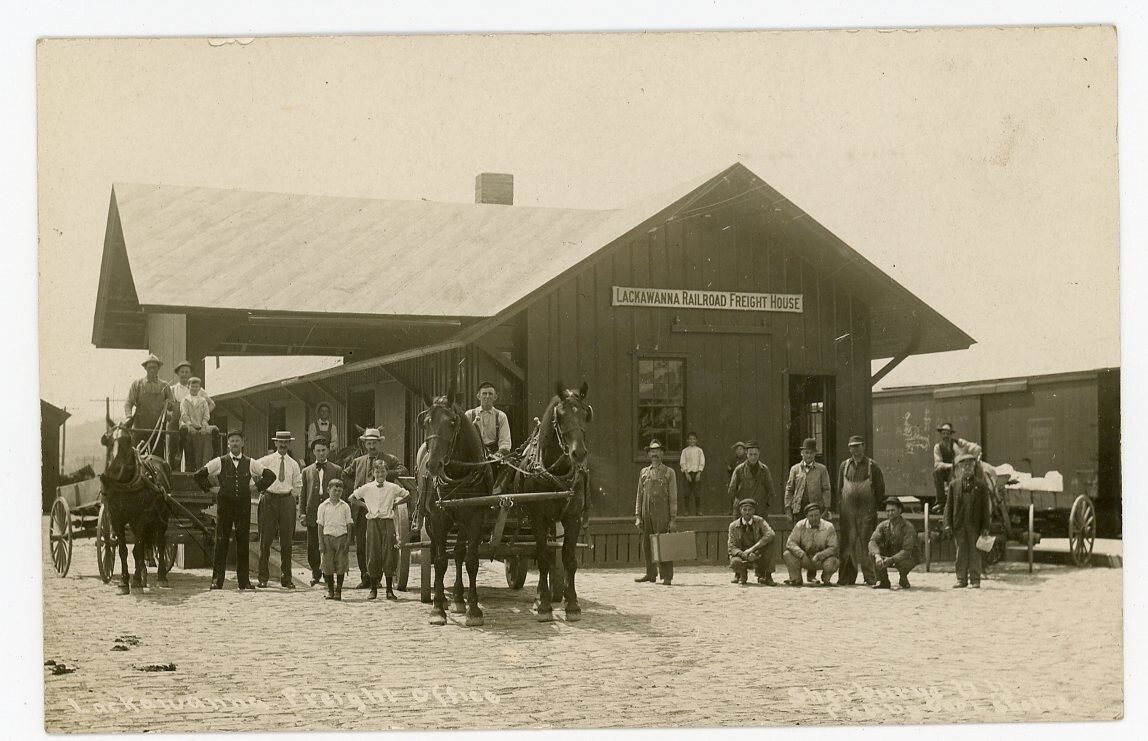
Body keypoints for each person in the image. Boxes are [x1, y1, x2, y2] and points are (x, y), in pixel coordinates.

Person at [193, 429, 276, 591]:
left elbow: (270, 476)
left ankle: (244, 581)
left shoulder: (251, 462)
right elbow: (198, 474)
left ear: (243, 443)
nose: (235, 443)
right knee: (221, 541)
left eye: (237, 440)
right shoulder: (220, 461)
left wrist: (256, 487)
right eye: (232, 441)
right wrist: (211, 488)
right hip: (225, 506)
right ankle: (217, 581)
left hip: (243, 507)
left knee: (243, 542)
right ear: (228, 444)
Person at [343, 428, 409, 588]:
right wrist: (359, 490)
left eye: (374, 443)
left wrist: (384, 474)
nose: (372, 446)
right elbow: (345, 475)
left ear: (380, 443)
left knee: (383, 546)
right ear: (365, 444)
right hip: (363, 509)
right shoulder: (358, 461)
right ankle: (366, 578)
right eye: (369, 443)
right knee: (362, 546)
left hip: (383, 508)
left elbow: (403, 470)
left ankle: (379, 578)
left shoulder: (389, 459)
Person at [351, 458, 411, 600]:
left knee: (389, 553)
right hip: (372, 523)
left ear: (386, 472)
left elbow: (408, 495)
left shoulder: (392, 487)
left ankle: (389, 590)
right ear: (373, 472)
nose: (380, 474)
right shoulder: (367, 487)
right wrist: (366, 506)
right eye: (377, 471)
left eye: (383, 471)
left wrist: (396, 504)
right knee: (372, 554)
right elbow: (352, 498)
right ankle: (373, 590)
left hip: (387, 522)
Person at [256, 431, 304, 589]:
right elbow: (251, 470)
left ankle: (286, 578)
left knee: (287, 542)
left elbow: (298, 484)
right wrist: (259, 488)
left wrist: (290, 497)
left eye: (286, 442)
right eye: (280, 442)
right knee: (265, 540)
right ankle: (263, 577)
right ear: (275, 443)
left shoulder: (293, 463)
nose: (283, 445)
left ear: (289, 444)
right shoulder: (266, 460)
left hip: (286, 501)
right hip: (269, 500)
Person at [836, 435, 885, 586]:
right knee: (847, 545)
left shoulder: (872, 466)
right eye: (852, 447)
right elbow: (839, 489)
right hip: (848, 513)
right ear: (849, 448)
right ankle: (846, 578)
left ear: (864, 446)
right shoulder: (844, 466)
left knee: (868, 544)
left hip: (867, 513)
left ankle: (870, 577)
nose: (855, 450)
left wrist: (871, 508)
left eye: (858, 446)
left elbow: (880, 490)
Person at [944, 453, 993, 589]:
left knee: (975, 552)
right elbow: (949, 506)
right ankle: (961, 579)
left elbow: (985, 509)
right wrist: (947, 524)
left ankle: (975, 580)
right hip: (959, 524)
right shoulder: (954, 485)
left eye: (970, 467)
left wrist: (985, 527)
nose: (967, 469)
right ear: (959, 468)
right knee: (961, 552)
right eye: (964, 466)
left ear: (973, 468)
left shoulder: (981, 486)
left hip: (975, 525)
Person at [300, 437, 344, 587]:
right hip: (312, 511)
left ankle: (328, 573)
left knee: (329, 544)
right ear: (313, 452)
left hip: (330, 511)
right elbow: (303, 493)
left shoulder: (336, 469)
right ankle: (315, 573)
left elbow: (341, 492)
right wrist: (302, 513)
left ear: (328, 451)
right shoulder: (306, 471)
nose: (321, 453)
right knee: (313, 544)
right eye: (318, 450)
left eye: (323, 450)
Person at [634, 439, 677, 586]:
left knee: (663, 542)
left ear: (662, 453)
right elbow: (639, 495)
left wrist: (672, 519)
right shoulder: (644, 472)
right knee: (647, 543)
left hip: (662, 513)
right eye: (652, 451)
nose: (655, 454)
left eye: (657, 451)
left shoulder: (669, 472)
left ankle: (667, 576)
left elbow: (673, 497)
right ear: (649, 454)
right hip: (646, 512)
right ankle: (650, 573)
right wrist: (638, 516)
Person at [124, 354, 177, 456]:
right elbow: (128, 403)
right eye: (149, 368)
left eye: (154, 367)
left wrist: (169, 405)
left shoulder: (164, 385)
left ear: (158, 369)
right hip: (140, 429)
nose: (152, 370)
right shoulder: (138, 384)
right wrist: (129, 417)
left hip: (158, 430)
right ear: (145, 368)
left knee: (157, 459)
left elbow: (172, 405)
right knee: (138, 457)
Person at [169, 360, 215, 471]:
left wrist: (201, 417)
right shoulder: (173, 389)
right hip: (177, 423)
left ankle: (191, 475)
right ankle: (174, 474)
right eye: (181, 372)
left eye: (186, 372)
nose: (184, 374)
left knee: (192, 451)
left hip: (193, 425)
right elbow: (168, 408)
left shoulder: (199, 390)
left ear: (190, 374)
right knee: (175, 450)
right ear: (178, 374)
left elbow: (212, 404)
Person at [869, 497, 920, 589]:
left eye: (893, 510)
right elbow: (873, 541)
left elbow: (906, 551)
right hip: (891, 554)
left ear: (900, 510)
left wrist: (891, 559)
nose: (890, 513)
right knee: (872, 554)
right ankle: (883, 581)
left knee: (903, 563)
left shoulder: (908, 527)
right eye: (888, 511)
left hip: (908, 557)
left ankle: (903, 577)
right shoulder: (883, 525)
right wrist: (877, 556)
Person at [783, 503, 839, 586]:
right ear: (807, 516)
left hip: (821, 560)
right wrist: (802, 554)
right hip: (804, 558)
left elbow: (833, 547)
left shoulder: (829, 527)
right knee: (787, 554)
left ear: (820, 515)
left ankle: (826, 578)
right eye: (811, 516)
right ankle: (796, 579)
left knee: (834, 562)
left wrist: (820, 555)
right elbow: (790, 542)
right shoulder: (800, 525)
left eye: (816, 515)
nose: (814, 518)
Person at [315, 478, 353, 600]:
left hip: (341, 538)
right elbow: (320, 525)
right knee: (328, 565)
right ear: (328, 490)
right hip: (327, 538)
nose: (336, 493)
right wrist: (321, 542)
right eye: (334, 490)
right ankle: (330, 590)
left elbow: (349, 524)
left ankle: (339, 590)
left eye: (339, 491)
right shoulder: (323, 506)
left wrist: (348, 542)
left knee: (341, 565)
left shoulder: (345, 506)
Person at [727, 498, 776, 585]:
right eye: (744, 509)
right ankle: (739, 573)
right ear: (740, 510)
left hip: (757, 554)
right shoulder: (733, 526)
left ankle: (766, 575)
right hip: (742, 555)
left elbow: (770, 534)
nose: (747, 512)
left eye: (750, 510)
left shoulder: (759, 521)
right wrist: (745, 555)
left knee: (770, 544)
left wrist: (753, 550)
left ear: (754, 511)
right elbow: (731, 546)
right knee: (735, 562)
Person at [784, 437, 832, 524]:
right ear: (802, 453)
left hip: (816, 509)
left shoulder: (822, 469)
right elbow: (789, 489)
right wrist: (788, 510)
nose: (809, 455)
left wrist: (826, 508)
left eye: (811, 453)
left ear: (815, 454)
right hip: (799, 509)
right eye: (806, 452)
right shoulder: (795, 469)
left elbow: (826, 489)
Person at [727, 440, 775, 517]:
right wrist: (740, 504)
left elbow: (771, 490)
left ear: (759, 453)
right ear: (746, 453)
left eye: (755, 454)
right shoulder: (739, 470)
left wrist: (763, 503)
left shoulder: (764, 470)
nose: (753, 457)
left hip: (759, 511)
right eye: (750, 454)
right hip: (742, 511)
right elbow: (731, 491)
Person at [464, 381, 512, 457]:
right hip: (474, 457)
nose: (487, 396)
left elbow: (505, 442)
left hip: (494, 457)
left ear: (495, 397)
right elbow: (464, 440)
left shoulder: (501, 416)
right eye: (484, 393)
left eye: (490, 394)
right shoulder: (469, 415)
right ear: (478, 396)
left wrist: (499, 453)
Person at [179, 377, 215, 471]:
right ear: (188, 387)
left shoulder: (203, 401)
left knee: (201, 452)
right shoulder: (185, 401)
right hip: (189, 429)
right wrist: (189, 425)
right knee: (189, 453)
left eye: (196, 387)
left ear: (199, 388)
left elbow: (206, 415)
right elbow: (184, 414)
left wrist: (203, 425)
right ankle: (189, 472)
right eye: (192, 386)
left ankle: (203, 470)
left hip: (200, 428)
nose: (194, 388)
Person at [931, 423, 969, 512]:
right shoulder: (937, 447)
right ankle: (940, 501)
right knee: (936, 473)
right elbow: (937, 463)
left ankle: (958, 500)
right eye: (943, 433)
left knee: (956, 477)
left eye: (947, 434)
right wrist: (950, 465)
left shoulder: (954, 444)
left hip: (955, 470)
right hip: (945, 470)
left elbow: (959, 457)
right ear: (941, 434)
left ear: (950, 435)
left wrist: (962, 443)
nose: (945, 436)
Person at [679, 431, 706, 516]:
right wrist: (686, 473)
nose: (692, 441)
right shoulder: (685, 451)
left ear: (696, 440)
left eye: (694, 439)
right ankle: (686, 510)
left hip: (696, 473)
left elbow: (702, 461)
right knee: (687, 492)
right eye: (690, 439)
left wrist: (699, 472)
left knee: (697, 493)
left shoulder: (699, 450)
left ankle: (698, 510)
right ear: (687, 440)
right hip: (687, 474)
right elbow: (682, 462)